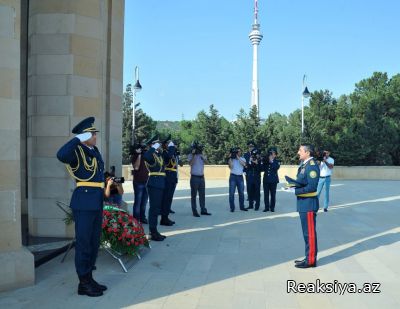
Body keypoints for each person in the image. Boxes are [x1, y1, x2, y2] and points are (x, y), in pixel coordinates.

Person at [56, 116, 107, 297]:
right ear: (85, 136)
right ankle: (83, 282)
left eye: (93, 134)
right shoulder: (76, 151)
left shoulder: (94, 150)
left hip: (96, 200)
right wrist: (78, 138)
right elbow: (60, 155)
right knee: (84, 242)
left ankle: (89, 278)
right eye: (92, 134)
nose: (95, 137)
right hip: (84, 201)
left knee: (93, 242)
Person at [286, 144, 320, 268]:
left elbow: (311, 187)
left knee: (309, 234)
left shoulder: (311, 167)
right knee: (306, 233)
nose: (298, 152)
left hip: (309, 205)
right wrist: (292, 186)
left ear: (307, 152)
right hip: (303, 204)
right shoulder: (304, 165)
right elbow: (302, 182)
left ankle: (310, 261)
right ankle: (308, 257)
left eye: (300, 150)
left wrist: (295, 191)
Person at [143, 136, 166, 241]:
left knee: (157, 208)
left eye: (159, 143)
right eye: (157, 143)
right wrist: (152, 147)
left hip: (160, 183)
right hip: (154, 183)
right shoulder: (151, 155)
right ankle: (152, 232)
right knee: (154, 208)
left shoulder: (158, 155)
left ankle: (155, 230)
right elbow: (145, 155)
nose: (159, 145)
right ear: (152, 145)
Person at [188, 142, 211, 217]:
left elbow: (207, 163)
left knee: (202, 194)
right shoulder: (190, 155)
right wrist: (194, 155)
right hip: (194, 177)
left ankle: (203, 210)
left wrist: (203, 157)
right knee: (194, 195)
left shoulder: (202, 155)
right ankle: (194, 211)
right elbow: (190, 164)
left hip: (202, 177)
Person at [160, 135, 177, 226]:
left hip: (172, 177)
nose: (171, 144)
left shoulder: (169, 152)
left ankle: (166, 217)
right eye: (169, 143)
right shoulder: (164, 153)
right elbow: (169, 155)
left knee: (169, 198)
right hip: (167, 177)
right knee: (166, 198)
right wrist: (171, 147)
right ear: (165, 144)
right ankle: (164, 218)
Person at [131, 143, 149, 224]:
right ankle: (136, 219)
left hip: (147, 181)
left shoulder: (146, 156)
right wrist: (139, 155)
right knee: (138, 202)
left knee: (144, 202)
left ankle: (142, 217)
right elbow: (136, 167)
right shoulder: (135, 156)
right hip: (138, 182)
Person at [228, 147, 247, 212]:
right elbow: (231, 167)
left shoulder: (242, 158)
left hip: (240, 177)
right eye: (237, 151)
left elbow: (244, 164)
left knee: (241, 193)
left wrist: (238, 158)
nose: (238, 152)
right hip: (233, 177)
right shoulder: (231, 159)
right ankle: (232, 208)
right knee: (231, 193)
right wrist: (230, 158)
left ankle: (242, 207)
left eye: (239, 151)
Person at [262, 147, 280, 212]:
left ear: (275, 155)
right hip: (266, 180)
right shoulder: (265, 161)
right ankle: (266, 207)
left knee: (273, 194)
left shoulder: (277, 161)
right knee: (266, 194)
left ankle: (272, 207)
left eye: (273, 154)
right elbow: (262, 169)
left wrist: (271, 161)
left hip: (273, 181)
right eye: (271, 154)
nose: (272, 155)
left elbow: (276, 167)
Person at [244, 144, 262, 210]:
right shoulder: (250, 159)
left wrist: (257, 163)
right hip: (250, 177)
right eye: (254, 154)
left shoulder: (260, 160)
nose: (256, 155)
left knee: (257, 192)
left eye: (257, 154)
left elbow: (261, 169)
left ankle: (257, 206)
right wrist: (250, 161)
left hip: (257, 178)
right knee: (250, 191)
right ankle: (250, 205)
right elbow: (247, 167)